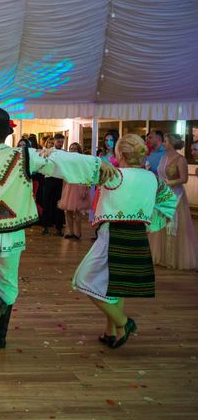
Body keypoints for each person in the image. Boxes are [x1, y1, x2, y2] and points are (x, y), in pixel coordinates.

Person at [0, 108, 114, 349]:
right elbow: (57, 161)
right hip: (13, 230)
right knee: (9, 281)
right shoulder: (26, 156)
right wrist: (96, 166)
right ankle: (0, 335)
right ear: (7, 135)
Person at [72, 134, 177, 349]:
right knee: (117, 285)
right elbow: (168, 201)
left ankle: (123, 322)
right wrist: (147, 220)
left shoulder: (114, 176)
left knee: (83, 279)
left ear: (120, 154)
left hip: (113, 234)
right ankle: (111, 332)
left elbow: (78, 168)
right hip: (137, 234)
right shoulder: (152, 178)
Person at [148, 133, 198, 270]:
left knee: (175, 227)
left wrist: (168, 182)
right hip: (163, 195)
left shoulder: (180, 159)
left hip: (176, 196)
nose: (163, 143)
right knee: (162, 226)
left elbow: (184, 179)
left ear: (171, 144)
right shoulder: (164, 157)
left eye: (165, 141)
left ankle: (173, 258)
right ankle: (162, 256)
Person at [58, 142, 91, 240]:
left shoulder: (82, 161)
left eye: (74, 148)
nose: (72, 150)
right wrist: (63, 190)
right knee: (68, 211)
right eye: (71, 148)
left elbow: (86, 175)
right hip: (69, 186)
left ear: (78, 150)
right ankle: (70, 232)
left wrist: (85, 188)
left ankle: (78, 233)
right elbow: (64, 176)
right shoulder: (67, 162)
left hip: (79, 186)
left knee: (77, 211)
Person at [41, 133, 66, 236]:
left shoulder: (64, 153)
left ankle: (59, 227)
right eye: (58, 141)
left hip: (59, 180)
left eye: (62, 142)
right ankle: (45, 227)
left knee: (59, 205)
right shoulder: (49, 151)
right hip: (48, 179)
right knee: (46, 204)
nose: (60, 143)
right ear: (55, 141)